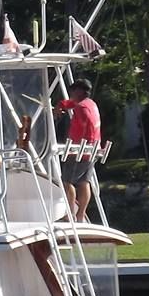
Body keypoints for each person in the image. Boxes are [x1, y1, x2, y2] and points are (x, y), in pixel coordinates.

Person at [55, 78, 101, 222]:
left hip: (80, 150)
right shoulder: (90, 104)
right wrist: (61, 105)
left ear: (80, 91)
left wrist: (79, 146)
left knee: (67, 182)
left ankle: (70, 214)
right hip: (92, 150)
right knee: (83, 182)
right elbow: (70, 103)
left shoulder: (81, 108)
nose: (71, 93)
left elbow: (86, 127)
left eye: (73, 90)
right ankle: (80, 215)